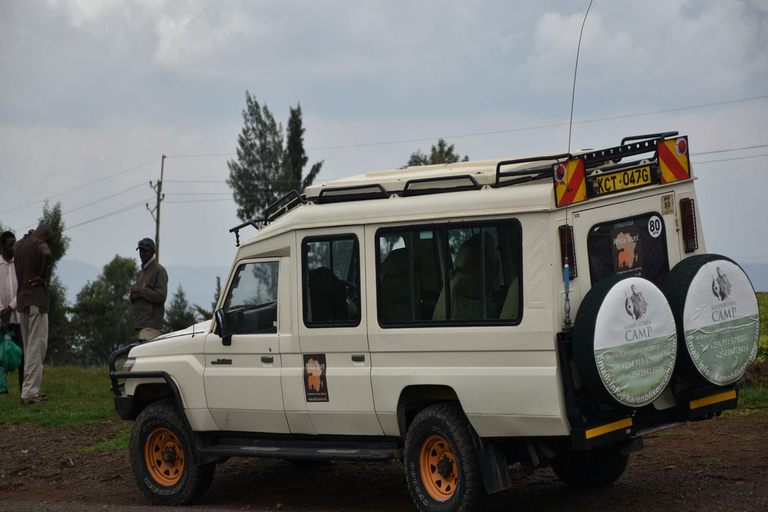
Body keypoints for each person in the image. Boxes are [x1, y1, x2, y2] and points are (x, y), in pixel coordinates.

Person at [14, 224, 52, 404]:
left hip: (22, 301)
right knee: (37, 347)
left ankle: (29, 390)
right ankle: (29, 393)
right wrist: (43, 275)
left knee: (29, 346)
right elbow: (46, 253)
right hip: (36, 300)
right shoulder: (39, 243)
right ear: (44, 236)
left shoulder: (20, 244)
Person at [130, 238, 168, 340]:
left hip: (151, 327)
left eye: (145, 251)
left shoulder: (159, 271)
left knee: (142, 355)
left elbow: (161, 296)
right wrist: (133, 296)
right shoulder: (141, 273)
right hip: (141, 325)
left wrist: (140, 291)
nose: (142, 253)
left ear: (153, 252)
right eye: (141, 250)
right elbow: (139, 295)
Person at [0, 231, 24, 395]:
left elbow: (23, 288)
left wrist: (11, 307)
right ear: (2, 246)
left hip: (18, 315)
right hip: (2, 316)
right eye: (10, 244)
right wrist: (3, 312)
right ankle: (3, 388)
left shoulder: (19, 264)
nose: (13, 247)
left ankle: (24, 386)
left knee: (22, 352)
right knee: (1, 354)